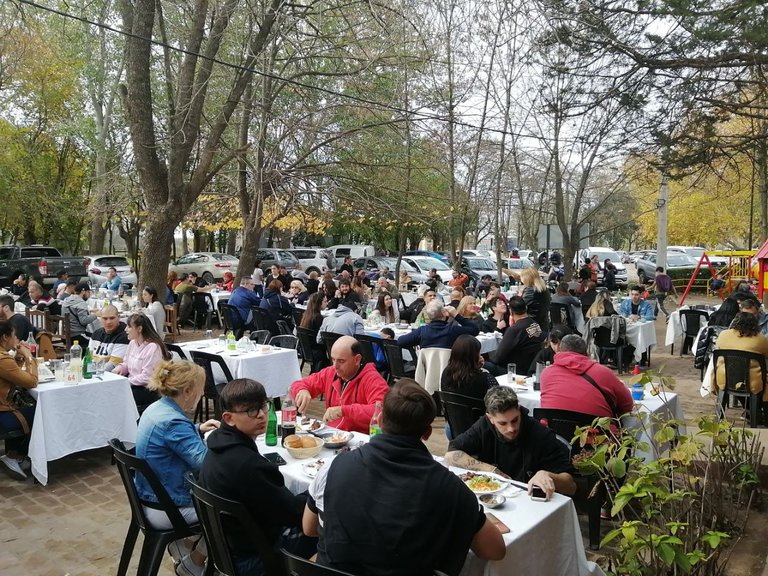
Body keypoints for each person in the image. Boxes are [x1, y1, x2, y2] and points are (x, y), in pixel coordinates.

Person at [302, 380, 505, 575]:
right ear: (426, 433)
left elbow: (309, 528)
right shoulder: (449, 488)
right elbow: (495, 550)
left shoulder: (333, 467)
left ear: (380, 420)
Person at [200, 378, 316, 576]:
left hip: (228, 550)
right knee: (331, 526)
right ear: (228, 418)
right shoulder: (246, 464)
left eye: (263, 406)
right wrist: (316, 489)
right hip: (254, 558)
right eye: (251, 411)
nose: (262, 415)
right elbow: (295, 515)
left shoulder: (217, 445)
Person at [135, 361, 220, 576]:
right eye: (201, 390)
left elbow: (169, 436)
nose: (202, 394)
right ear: (188, 390)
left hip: (149, 496)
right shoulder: (172, 422)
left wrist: (197, 428)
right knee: (233, 510)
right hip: (166, 506)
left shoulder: (157, 408)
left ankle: (187, 542)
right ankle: (194, 562)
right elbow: (205, 464)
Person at [445, 386, 576, 499]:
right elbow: (451, 455)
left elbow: (571, 486)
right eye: (502, 423)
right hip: (494, 496)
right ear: (490, 418)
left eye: (515, 420)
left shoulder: (540, 434)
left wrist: (548, 475)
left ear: (519, 410)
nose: (511, 429)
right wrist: (490, 470)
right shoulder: (483, 426)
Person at [292, 336, 389, 432]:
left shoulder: (373, 379)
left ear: (357, 360)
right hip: (332, 435)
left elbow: (382, 411)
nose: (335, 366)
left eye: (341, 361)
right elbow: (298, 384)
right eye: (333, 359)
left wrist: (343, 410)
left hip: (361, 438)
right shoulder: (330, 373)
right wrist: (302, 390)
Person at [540, 334, 634, 418]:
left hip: (556, 435)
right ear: (587, 353)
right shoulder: (604, 373)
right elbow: (627, 405)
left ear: (560, 351)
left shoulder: (546, 373)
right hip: (598, 435)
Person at [0, 320, 38, 481]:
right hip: (2, 411)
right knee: (41, 412)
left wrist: (19, 357)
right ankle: (16, 455)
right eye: (14, 336)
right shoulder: (2, 359)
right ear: (4, 337)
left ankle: (14, 453)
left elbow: (12, 373)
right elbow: (31, 382)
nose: (16, 339)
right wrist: (29, 356)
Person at [113, 314, 171, 409]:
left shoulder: (153, 347)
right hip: (133, 384)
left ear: (139, 329)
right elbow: (126, 363)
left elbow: (147, 377)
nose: (125, 329)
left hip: (146, 389)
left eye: (129, 327)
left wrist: (126, 381)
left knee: (117, 397)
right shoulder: (132, 343)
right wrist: (120, 368)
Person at [712, 312, 768, 401]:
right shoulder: (761, 339)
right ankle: (758, 408)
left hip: (725, 378)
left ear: (735, 322)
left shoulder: (723, 335)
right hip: (752, 383)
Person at [485, 296, 546, 376]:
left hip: (515, 370)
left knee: (485, 365)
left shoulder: (515, 330)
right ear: (526, 308)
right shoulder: (535, 324)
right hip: (531, 366)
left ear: (511, 311)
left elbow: (498, 358)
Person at [398, 300, 479, 349]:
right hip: (449, 369)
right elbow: (474, 330)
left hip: (427, 369)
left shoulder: (422, 331)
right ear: (444, 313)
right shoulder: (453, 330)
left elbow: (401, 341)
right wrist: (456, 315)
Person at [441, 334, 497, 400]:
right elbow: (499, 400)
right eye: (478, 353)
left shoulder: (446, 373)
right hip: (479, 409)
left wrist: (477, 368)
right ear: (474, 356)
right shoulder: (485, 378)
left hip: (451, 410)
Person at [88, 305, 129, 372]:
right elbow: (88, 358)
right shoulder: (96, 333)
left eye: (112, 318)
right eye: (105, 318)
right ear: (100, 319)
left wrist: (89, 370)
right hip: (93, 373)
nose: (108, 322)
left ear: (118, 317)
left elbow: (112, 365)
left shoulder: (125, 336)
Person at [62, 282, 98, 347]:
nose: (89, 295)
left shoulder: (67, 300)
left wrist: (89, 311)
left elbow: (74, 311)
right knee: (98, 340)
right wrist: (96, 315)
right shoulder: (81, 303)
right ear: (83, 291)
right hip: (76, 336)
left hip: (65, 336)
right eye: (88, 292)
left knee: (95, 335)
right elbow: (84, 321)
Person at [520, 267, 551, 331]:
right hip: (543, 323)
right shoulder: (543, 289)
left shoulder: (530, 291)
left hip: (532, 325)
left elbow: (520, 306)